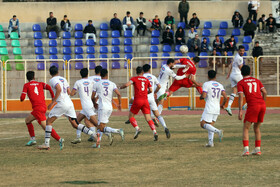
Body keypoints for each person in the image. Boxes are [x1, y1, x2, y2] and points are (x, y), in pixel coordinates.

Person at [38, 66, 99, 150]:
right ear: (58, 72)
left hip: (62, 104)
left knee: (48, 121)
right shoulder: (63, 79)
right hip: (69, 103)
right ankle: (94, 134)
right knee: (75, 124)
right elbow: (69, 92)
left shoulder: (52, 80)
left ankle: (46, 144)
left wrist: (52, 102)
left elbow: (58, 89)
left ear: (50, 73)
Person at [125, 64, 171, 138]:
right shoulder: (153, 77)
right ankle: (165, 127)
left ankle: (130, 118)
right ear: (150, 70)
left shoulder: (141, 77)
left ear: (142, 70)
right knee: (157, 115)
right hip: (151, 98)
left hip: (142, 96)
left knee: (131, 101)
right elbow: (159, 86)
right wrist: (155, 92)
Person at [20, 71, 61, 146]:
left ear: (27, 78)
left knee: (46, 127)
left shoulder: (27, 85)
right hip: (42, 107)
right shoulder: (40, 84)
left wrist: (22, 98)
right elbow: (49, 87)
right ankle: (32, 139)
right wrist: (52, 97)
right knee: (27, 120)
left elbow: (22, 98)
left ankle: (59, 139)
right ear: (34, 77)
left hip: (37, 108)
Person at [119, 66, 158, 141]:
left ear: (136, 72)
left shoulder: (134, 79)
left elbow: (127, 85)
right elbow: (150, 90)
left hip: (138, 100)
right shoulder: (146, 80)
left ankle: (137, 128)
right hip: (145, 100)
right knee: (148, 118)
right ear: (142, 72)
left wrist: (120, 87)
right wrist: (145, 93)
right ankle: (154, 132)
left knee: (130, 116)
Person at [237, 65, 267, 156]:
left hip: (253, 105)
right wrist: (263, 102)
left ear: (241, 73)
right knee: (257, 128)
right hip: (262, 105)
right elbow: (265, 92)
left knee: (246, 127)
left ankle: (246, 150)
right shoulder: (257, 81)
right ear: (250, 72)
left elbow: (241, 96)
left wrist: (240, 110)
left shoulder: (241, 83)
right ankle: (257, 149)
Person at [92, 69, 124, 148]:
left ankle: (117, 131)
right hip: (110, 107)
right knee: (100, 126)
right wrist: (119, 104)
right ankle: (98, 143)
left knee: (100, 127)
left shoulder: (97, 84)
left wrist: (94, 104)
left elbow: (92, 96)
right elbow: (119, 94)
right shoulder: (112, 84)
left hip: (102, 107)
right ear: (107, 75)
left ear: (100, 75)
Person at [70, 68, 101, 145]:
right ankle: (78, 137)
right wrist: (96, 99)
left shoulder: (78, 82)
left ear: (80, 74)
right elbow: (96, 91)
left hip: (87, 106)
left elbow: (72, 93)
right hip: (88, 105)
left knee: (96, 124)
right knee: (77, 121)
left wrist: (68, 91)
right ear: (88, 74)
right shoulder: (92, 82)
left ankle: (109, 132)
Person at [200, 70, 226, 147]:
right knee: (210, 125)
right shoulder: (220, 85)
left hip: (209, 107)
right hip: (217, 107)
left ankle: (218, 131)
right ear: (215, 76)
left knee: (202, 124)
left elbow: (204, 96)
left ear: (208, 76)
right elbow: (225, 97)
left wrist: (201, 97)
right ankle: (210, 143)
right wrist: (222, 105)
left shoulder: (206, 84)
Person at [225, 45, 245, 116]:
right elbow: (241, 68)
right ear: (238, 51)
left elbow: (230, 65)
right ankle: (245, 105)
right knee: (245, 90)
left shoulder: (235, 56)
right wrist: (245, 75)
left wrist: (228, 74)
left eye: (243, 51)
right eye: (241, 51)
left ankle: (229, 106)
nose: (242, 52)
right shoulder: (240, 58)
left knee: (234, 91)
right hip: (237, 75)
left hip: (232, 75)